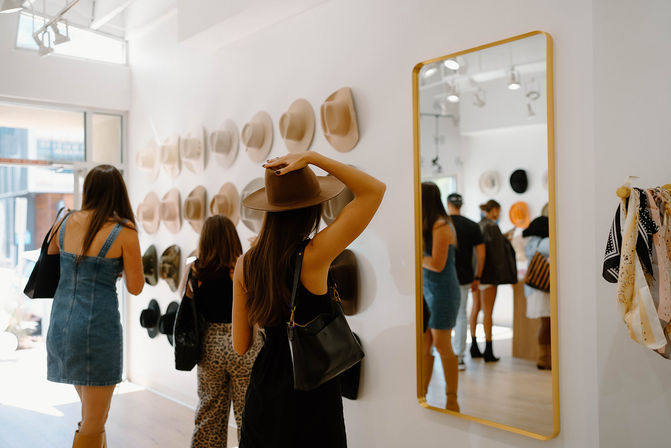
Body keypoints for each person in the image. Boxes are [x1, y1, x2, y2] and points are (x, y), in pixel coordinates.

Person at [232, 152, 385, 448]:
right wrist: (313, 158)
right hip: (311, 387)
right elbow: (373, 191)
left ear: (269, 209)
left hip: (265, 388)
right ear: (312, 209)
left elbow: (241, 346)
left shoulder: (245, 264)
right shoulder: (314, 256)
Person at [46, 164, 143, 447]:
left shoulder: (63, 221)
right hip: (98, 330)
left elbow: (52, 262)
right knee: (94, 419)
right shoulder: (124, 231)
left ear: (88, 190)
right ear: (119, 193)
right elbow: (136, 288)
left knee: (90, 416)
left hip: (62, 327)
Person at [183, 215, 262, 447]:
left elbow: (184, 301)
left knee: (209, 415)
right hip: (244, 344)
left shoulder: (194, 267)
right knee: (248, 416)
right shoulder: (243, 265)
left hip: (211, 347)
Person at [421, 182, 461, 412]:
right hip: (428, 291)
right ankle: (422, 394)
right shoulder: (429, 224)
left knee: (442, 343)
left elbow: (436, 264)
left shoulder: (442, 226)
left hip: (443, 292)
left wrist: (415, 256)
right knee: (425, 342)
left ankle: (452, 399)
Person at [446, 193, 485, 370]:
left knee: (441, 317)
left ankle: (440, 354)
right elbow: (481, 253)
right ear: (461, 205)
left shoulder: (441, 224)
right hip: (465, 277)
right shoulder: (472, 225)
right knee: (461, 315)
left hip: (443, 276)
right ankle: (459, 357)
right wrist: (478, 276)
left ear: (448, 204)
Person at [469, 199, 510, 363]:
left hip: (476, 275)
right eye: (498, 211)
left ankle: (473, 346)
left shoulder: (478, 226)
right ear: (493, 210)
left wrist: (476, 275)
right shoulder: (492, 226)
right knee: (488, 313)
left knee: (475, 309)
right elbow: (494, 255)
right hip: (489, 275)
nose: (499, 214)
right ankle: (489, 349)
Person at [522, 216, 552, 370]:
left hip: (535, 289)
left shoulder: (532, 242)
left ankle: (544, 358)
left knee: (545, 324)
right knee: (547, 325)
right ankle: (544, 359)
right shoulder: (546, 242)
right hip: (543, 291)